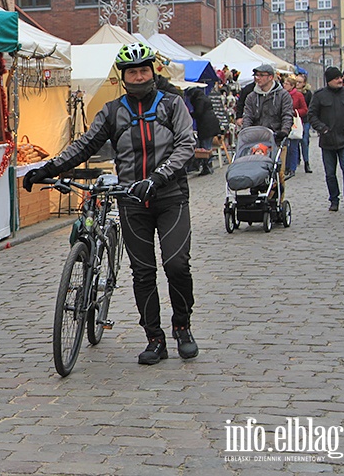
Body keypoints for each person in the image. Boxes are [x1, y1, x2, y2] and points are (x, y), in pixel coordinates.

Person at [23, 43, 197, 366]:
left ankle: (182, 326)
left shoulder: (173, 105)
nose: (139, 75)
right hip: (131, 200)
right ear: (124, 76)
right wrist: (48, 169)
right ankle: (154, 338)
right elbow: (85, 145)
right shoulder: (114, 111)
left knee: (176, 266)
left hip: (170, 196)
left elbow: (187, 145)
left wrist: (158, 178)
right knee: (143, 272)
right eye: (133, 71)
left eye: (144, 69)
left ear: (153, 72)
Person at [306, 67, 344, 212]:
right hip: (327, 140)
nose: (340, 80)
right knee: (330, 173)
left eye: (341, 77)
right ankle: (334, 199)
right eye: (336, 78)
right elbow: (312, 115)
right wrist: (322, 128)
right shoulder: (319, 95)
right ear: (329, 81)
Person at [241, 64, 294, 141]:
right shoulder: (251, 97)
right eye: (256, 75)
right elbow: (248, 116)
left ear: (270, 77)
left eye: (261, 75)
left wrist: (284, 131)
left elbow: (287, 115)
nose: (258, 78)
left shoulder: (283, 95)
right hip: (256, 137)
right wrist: (246, 131)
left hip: (276, 137)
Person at [185, 85, 221, 175]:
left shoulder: (199, 100)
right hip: (211, 124)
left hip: (206, 126)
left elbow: (199, 112)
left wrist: (190, 114)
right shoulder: (204, 97)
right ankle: (208, 166)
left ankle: (207, 167)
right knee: (207, 146)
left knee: (205, 147)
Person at [282, 76, 307, 178]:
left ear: (292, 86)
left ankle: (292, 168)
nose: (284, 85)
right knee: (284, 146)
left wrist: (295, 112)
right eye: (284, 83)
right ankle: (285, 167)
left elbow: (305, 109)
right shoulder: (281, 95)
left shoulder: (298, 95)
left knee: (293, 147)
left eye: (286, 84)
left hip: (294, 123)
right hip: (283, 123)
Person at [294, 74, 313, 173]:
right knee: (295, 140)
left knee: (304, 141)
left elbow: (311, 107)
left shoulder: (308, 94)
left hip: (305, 120)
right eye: (296, 82)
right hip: (294, 121)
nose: (297, 84)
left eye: (300, 82)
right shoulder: (291, 93)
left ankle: (307, 162)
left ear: (304, 83)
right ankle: (296, 160)